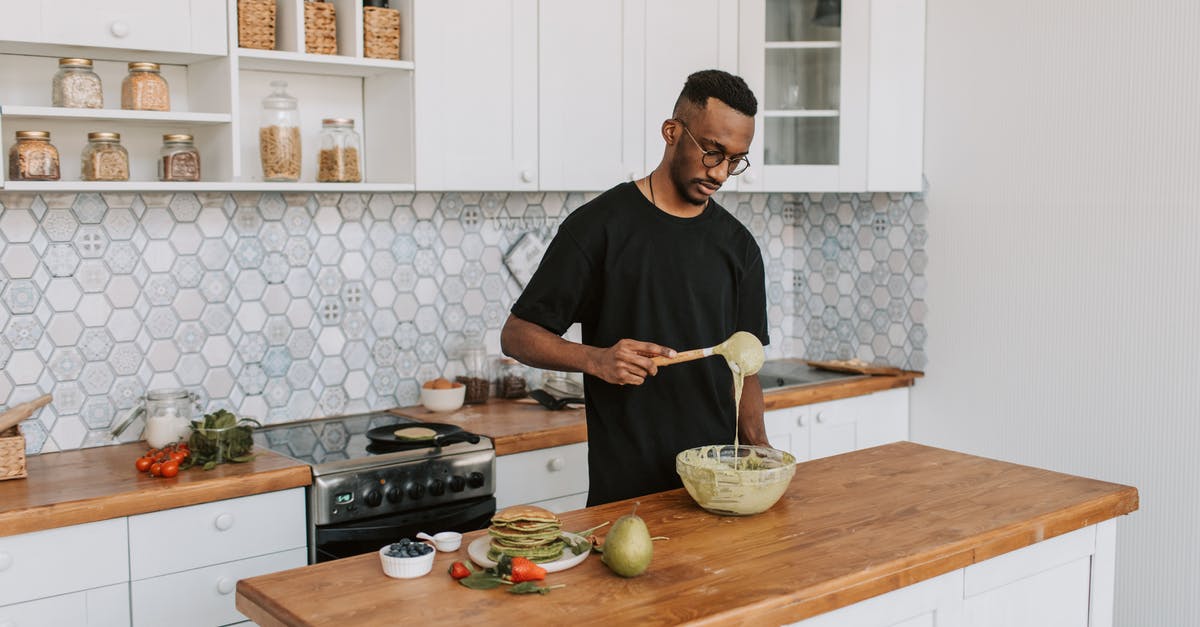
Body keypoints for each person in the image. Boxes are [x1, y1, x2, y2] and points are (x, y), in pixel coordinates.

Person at [500, 69, 769, 506]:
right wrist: (597, 360)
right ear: (671, 132)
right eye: (712, 152)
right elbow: (517, 335)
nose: (721, 173)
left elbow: (747, 367)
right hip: (626, 497)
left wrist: (761, 453)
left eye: (735, 160)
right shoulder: (597, 228)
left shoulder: (739, 247)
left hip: (717, 492)